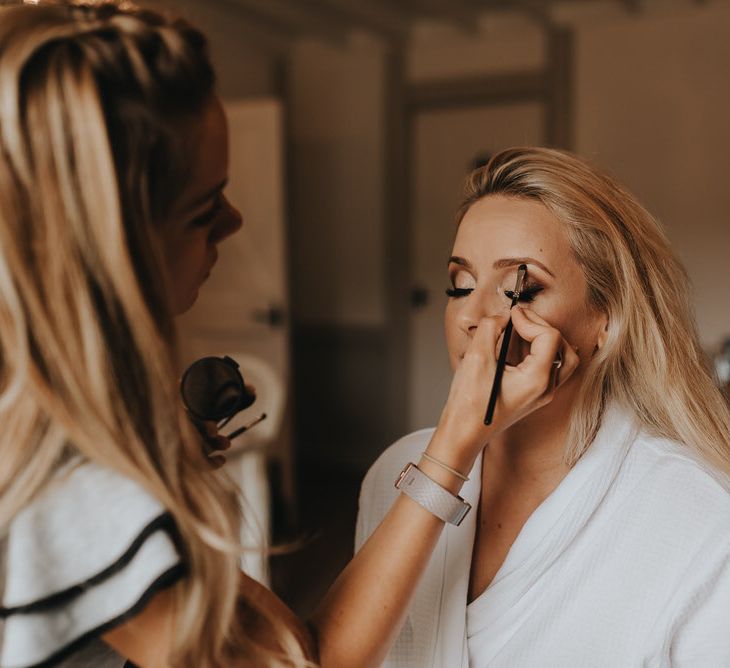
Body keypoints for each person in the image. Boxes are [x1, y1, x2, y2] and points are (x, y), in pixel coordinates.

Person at [0, 3, 570, 667]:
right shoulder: (78, 490)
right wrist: (456, 442)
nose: (235, 221)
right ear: (110, 249)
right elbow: (313, 660)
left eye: (521, 287)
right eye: (203, 210)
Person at [356, 146, 730, 666]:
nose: (472, 315)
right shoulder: (393, 477)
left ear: (607, 319)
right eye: (459, 285)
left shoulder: (702, 522)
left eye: (521, 290)